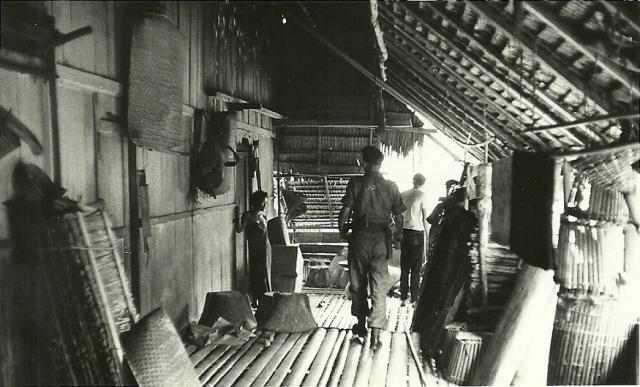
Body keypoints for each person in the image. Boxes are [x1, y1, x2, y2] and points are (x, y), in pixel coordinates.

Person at [338, 146, 405, 351]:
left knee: (357, 284)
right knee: (379, 286)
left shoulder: (356, 183)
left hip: (360, 238)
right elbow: (400, 216)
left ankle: (360, 327)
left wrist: (343, 232)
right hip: (381, 240)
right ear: (381, 163)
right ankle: (376, 334)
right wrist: (397, 235)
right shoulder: (392, 186)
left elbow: (345, 212)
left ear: (363, 162)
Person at [235, 190, 270, 307]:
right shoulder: (248, 215)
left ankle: (263, 299)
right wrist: (237, 219)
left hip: (264, 249)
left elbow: (266, 234)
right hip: (254, 250)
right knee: (256, 274)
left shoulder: (263, 216)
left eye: (266, 203)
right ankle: (255, 299)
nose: (265, 205)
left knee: (263, 274)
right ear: (256, 202)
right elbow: (239, 230)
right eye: (263, 203)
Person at [400, 173, 428, 307]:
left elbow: (396, 214)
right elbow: (425, 217)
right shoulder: (422, 195)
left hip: (405, 231)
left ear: (413, 181)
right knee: (416, 269)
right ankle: (415, 299)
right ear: (423, 183)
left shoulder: (403, 194)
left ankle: (404, 298)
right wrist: (427, 235)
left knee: (404, 268)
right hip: (417, 231)